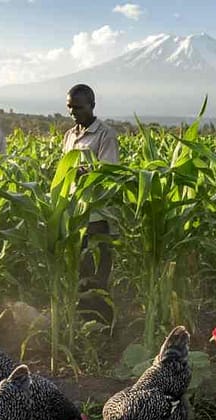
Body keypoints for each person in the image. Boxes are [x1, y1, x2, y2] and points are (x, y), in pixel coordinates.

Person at [62, 84, 120, 325]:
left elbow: (108, 174)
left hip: (97, 218)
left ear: (92, 105)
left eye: (78, 107)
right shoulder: (69, 136)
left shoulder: (105, 135)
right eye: (70, 108)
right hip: (75, 216)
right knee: (81, 273)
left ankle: (105, 326)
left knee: (98, 275)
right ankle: (85, 322)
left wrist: (84, 173)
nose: (74, 113)